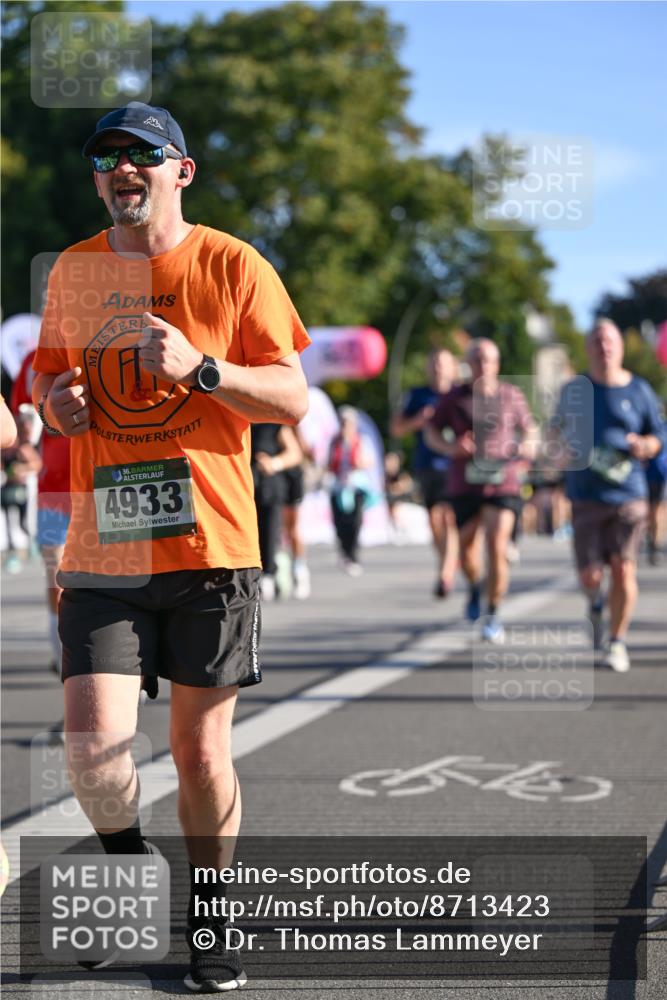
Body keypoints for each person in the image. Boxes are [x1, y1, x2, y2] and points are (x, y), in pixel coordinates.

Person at [31, 101, 310, 991]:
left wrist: (205, 370)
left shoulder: (233, 264)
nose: (122, 167)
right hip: (105, 550)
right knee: (93, 746)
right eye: (106, 155)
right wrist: (51, 406)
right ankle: (127, 862)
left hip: (211, 549)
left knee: (197, 754)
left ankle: (213, 914)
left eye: (141, 153)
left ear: (178, 171)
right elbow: (45, 371)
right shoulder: (71, 271)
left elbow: (293, 396)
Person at [553, 319, 663, 671]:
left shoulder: (639, 390)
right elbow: (553, 433)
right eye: (597, 341)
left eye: (610, 340)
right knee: (591, 577)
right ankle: (595, 605)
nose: (604, 347)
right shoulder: (575, 390)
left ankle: (617, 641)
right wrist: (560, 450)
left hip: (628, 493)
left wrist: (645, 445)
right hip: (585, 494)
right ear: (587, 348)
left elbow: (658, 436)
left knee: (624, 570)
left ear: (621, 346)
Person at [424, 339, 537, 642]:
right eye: (476, 360)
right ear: (468, 364)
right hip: (464, 484)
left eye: (487, 360)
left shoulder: (511, 396)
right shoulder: (453, 397)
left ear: (497, 364)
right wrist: (452, 446)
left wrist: (525, 447)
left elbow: (531, 430)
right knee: (467, 554)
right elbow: (431, 433)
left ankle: (493, 612)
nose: (482, 365)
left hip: (504, 483)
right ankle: (475, 586)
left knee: (497, 546)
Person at [11, 349, 72, 673]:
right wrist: (24, 450)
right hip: (55, 490)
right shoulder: (33, 360)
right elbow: (19, 417)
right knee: (56, 577)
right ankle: (62, 656)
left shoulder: (112, 342)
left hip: (108, 484)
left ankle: (129, 666)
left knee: (116, 580)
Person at [391, 348, 458, 596]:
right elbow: (396, 429)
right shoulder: (416, 396)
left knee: (448, 516)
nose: (438, 368)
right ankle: (447, 561)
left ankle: (446, 573)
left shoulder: (460, 395)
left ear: (453, 367)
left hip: (454, 466)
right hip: (427, 465)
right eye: (434, 363)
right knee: (434, 522)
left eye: (443, 363)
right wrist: (417, 421)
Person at [251, 422, 303, 601]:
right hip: (245, 490)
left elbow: (294, 453)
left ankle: (271, 575)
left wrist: (275, 463)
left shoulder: (273, 424)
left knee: (271, 532)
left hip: (269, 489)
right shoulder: (237, 419)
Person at [328, 406, 373, 575]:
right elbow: (329, 463)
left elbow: (370, 461)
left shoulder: (361, 441)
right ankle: (344, 553)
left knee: (355, 522)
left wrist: (359, 461)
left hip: (356, 486)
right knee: (340, 523)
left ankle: (353, 555)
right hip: (339, 487)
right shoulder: (335, 442)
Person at [1, 409, 42, 573]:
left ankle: (34, 546)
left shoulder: (23, 449)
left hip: (21, 490)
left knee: (24, 522)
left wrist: (22, 469)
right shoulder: (4, 451)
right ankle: (13, 553)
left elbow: (37, 464)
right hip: (7, 489)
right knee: (9, 522)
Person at [281, 425, 313, 599]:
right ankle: (277, 571)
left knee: (292, 528)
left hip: (292, 477)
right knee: (274, 528)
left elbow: (305, 451)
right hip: (273, 478)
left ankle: (300, 569)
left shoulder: (291, 424)